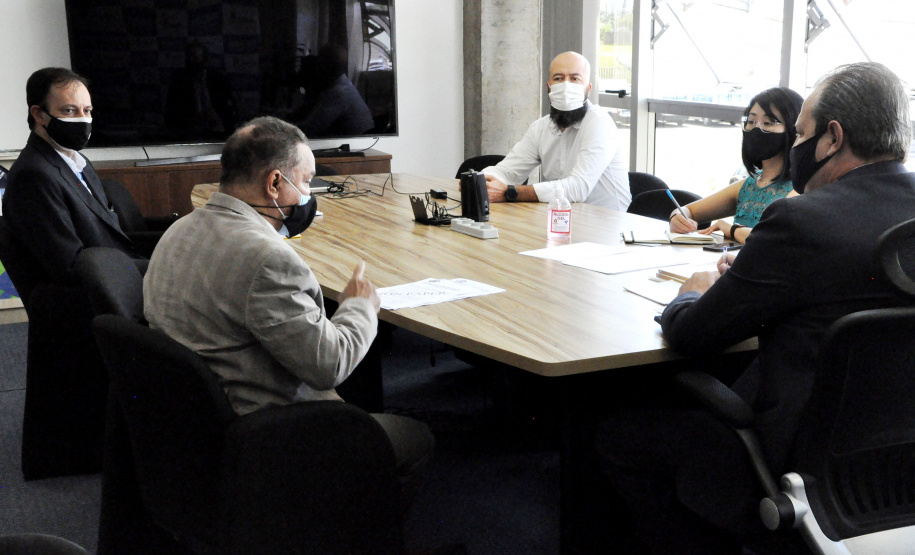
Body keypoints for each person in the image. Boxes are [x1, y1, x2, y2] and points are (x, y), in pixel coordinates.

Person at [596, 62, 915, 553]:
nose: (794, 149)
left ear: (832, 138)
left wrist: (694, 291)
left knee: (619, 436)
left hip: (795, 458)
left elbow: (694, 336)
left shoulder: (800, 219)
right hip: (895, 463)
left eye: (800, 134)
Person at [143, 116, 433, 508]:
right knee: (416, 437)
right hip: (270, 431)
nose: (309, 193)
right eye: (307, 181)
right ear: (275, 183)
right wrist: (359, 306)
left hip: (194, 428)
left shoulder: (178, 229)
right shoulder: (267, 260)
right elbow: (329, 365)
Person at [3, 68, 140, 285]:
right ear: (39, 115)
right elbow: (69, 264)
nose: (83, 120)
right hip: (95, 299)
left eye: (87, 110)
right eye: (69, 111)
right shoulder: (33, 175)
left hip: (118, 274)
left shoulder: (77, 162)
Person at [480, 51, 630, 211]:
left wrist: (510, 192)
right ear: (549, 87)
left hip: (608, 226)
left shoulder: (599, 122)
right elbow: (508, 171)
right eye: (558, 78)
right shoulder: (541, 127)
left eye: (575, 79)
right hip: (562, 220)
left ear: (589, 88)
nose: (566, 85)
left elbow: (578, 188)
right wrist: (479, 182)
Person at [669, 87, 803, 244]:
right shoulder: (746, 186)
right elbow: (688, 210)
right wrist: (677, 217)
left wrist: (732, 230)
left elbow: (771, 240)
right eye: (751, 122)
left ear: (795, 129)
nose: (756, 129)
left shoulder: (799, 191)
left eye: (768, 122)